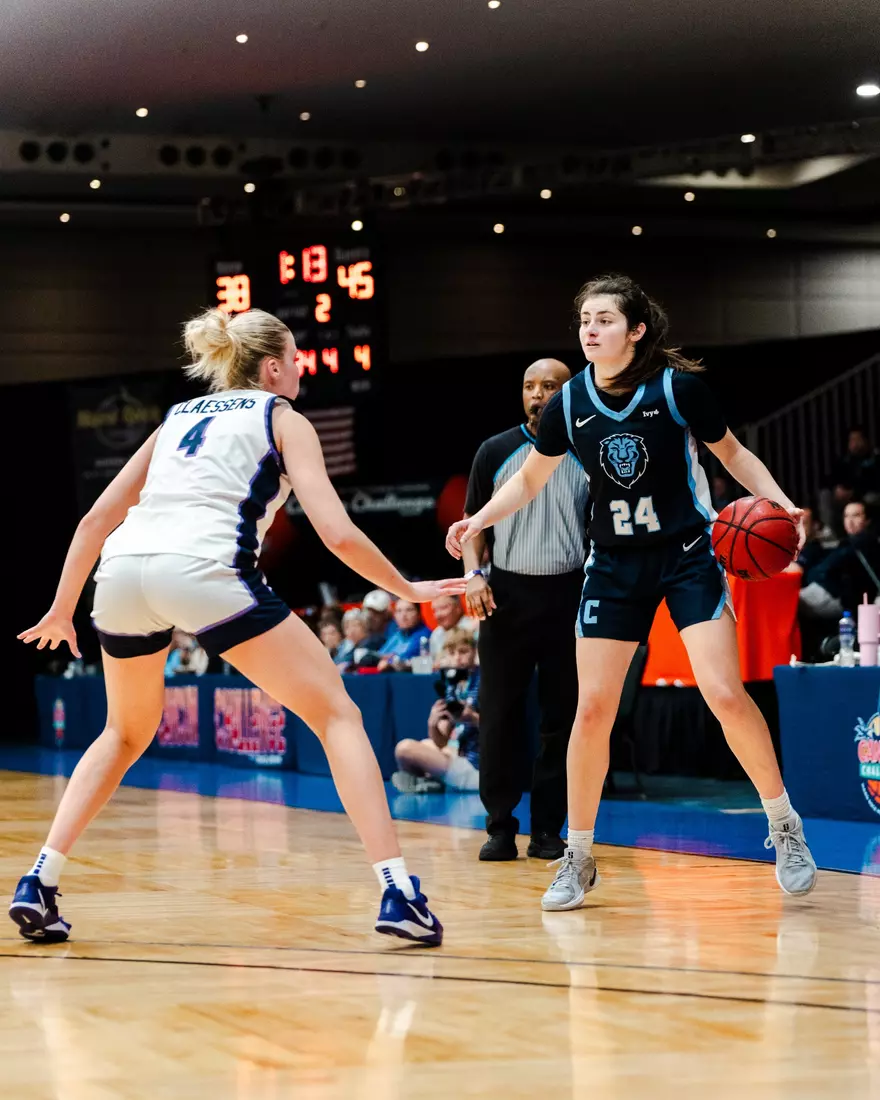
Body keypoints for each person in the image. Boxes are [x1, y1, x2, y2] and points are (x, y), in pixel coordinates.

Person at [12, 306, 465, 946]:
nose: (303, 369)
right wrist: (407, 588)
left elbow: (93, 521)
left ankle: (39, 879)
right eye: (297, 359)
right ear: (274, 367)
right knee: (338, 715)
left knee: (122, 732)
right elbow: (335, 532)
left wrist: (62, 608)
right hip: (203, 570)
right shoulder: (283, 418)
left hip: (120, 575)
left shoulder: (175, 419)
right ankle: (398, 890)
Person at [447, 273, 817, 910]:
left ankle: (784, 824)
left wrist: (782, 504)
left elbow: (732, 455)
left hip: (687, 557)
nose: (590, 329)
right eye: (584, 320)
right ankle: (579, 854)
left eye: (604, 320)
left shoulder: (679, 390)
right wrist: (478, 519)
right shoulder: (568, 404)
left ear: (636, 330)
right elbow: (530, 479)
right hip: (614, 566)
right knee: (591, 711)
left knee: (725, 694)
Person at [462, 358, 589, 862]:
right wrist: (474, 576)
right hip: (506, 599)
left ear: (567, 392)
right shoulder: (494, 451)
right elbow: (470, 527)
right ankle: (498, 827)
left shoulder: (586, 451)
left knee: (561, 721)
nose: (538, 394)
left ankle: (547, 831)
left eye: (549, 386)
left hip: (568, 595)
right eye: (529, 387)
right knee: (499, 717)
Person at [392, 629, 481, 793]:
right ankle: (425, 782)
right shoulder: (454, 684)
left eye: (463, 652)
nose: (457, 658)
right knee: (424, 744)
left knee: (405, 748)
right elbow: (442, 741)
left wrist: (472, 717)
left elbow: (500, 731)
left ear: (474, 651)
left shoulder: (483, 681)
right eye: (452, 653)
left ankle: (425, 782)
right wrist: (432, 723)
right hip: (462, 754)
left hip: (479, 768)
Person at [377, 599, 431, 671]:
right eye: (399, 611)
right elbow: (380, 655)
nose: (403, 615)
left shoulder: (424, 635)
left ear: (419, 614)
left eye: (409, 610)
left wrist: (389, 661)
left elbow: (406, 657)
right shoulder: (397, 635)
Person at [429, 594, 477, 667]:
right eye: (434, 610)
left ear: (458, 608)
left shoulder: (474, 629)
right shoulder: (436, 634)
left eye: (443, 608)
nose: (438, 615)